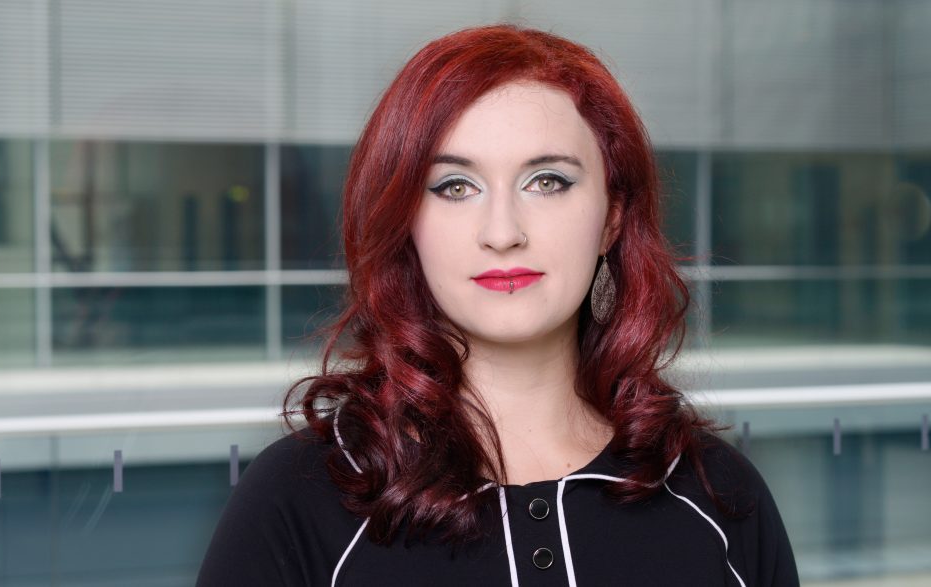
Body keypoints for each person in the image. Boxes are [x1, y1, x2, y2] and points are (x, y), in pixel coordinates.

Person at [197, 24, 799, 586]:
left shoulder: (718, 494)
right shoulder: (294, 500)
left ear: (612, 218)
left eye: (548, 181)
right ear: (405, 223)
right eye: (455, 187)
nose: (503, 232)